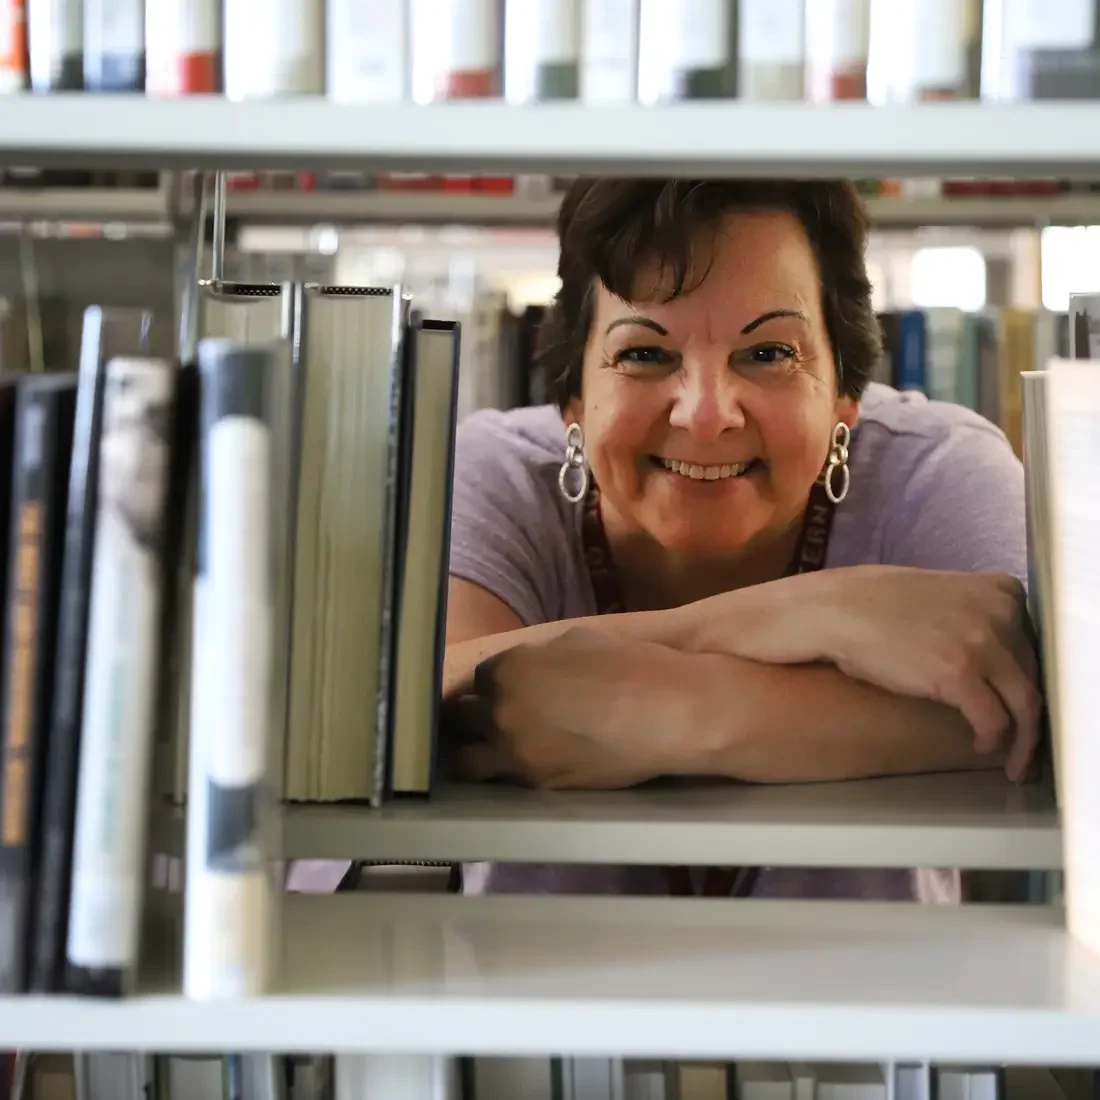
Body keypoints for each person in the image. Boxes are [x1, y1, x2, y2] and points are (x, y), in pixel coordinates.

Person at [444, 178, 1041, 902]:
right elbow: (426, 703)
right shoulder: (495, 470)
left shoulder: (935, 467)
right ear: (573, 398)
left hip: (872, 1000)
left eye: (768, 354)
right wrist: (807, 614)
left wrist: (683, 708)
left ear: (845, 397)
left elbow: (1052, 712)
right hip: (527, 995)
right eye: (644, 355)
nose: (705, 415)